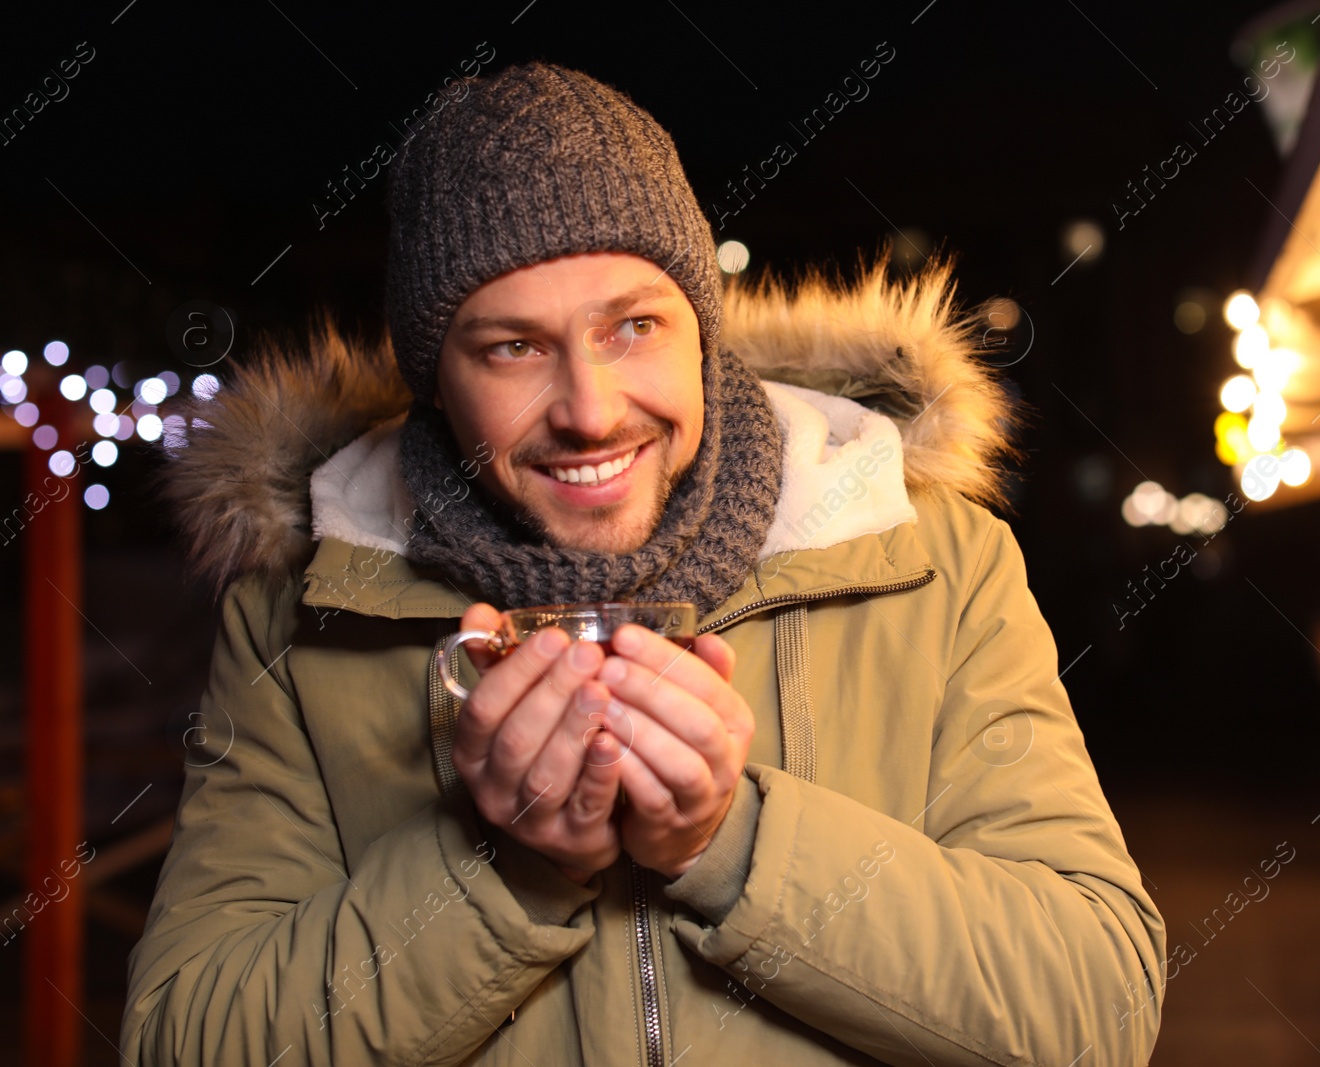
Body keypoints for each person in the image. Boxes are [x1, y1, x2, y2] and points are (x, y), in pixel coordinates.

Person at [121, 61, 1165, 1066]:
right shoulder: (297, 614)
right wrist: (506, 869)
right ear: (433, 379)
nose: (590, 410)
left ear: (700, 330)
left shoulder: (931, 561)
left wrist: (734, 842)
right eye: (511, 347)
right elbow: (184, 1038)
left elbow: (1094, 1005)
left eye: (632, 326)